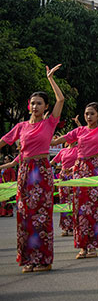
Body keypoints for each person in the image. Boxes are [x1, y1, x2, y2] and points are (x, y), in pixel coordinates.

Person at [53, 72, 98, 259]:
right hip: (79, 169)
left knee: (93, 207)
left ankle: (92, 245)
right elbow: (61, 139)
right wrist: (47, 141)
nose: (88, 116)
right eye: (86, 114)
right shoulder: (79, 130)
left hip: (94, 168)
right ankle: (82, 246)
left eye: (92, 113)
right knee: (79, 208)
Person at [0, 64, 64, 272]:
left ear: (46, 107)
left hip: (42, 171)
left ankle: (44, 259)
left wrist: (50, 79)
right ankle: (28, 259)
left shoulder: (49, 123)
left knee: (42, 215)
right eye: (32, 103)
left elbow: (61, 100)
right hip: (25, 172)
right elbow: (3, 141)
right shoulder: (21, 127)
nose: (35, 106)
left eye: (39, 103)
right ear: (29, 106)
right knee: (24, 215)